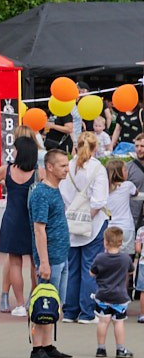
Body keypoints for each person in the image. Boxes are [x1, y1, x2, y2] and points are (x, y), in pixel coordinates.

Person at [30, 149, 73, 358]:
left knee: (55, 303)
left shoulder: (55, 190)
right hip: (50, 257)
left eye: (67, 165)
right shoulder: (41, 193)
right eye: (62, 166)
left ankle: (47, 345)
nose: (67, 169)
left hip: (61, 255)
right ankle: (36, 348)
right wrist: (44, 261)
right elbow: (39, 229)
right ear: (50, 167)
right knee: (43, 301)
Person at [67, 135, 111, 325]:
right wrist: (87, 217)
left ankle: (69, 311)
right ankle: (87, 312)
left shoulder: (67, 166)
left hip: (68, 222)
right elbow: (99, 200)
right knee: (90, 269)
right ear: (95, 147)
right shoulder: (98, 169)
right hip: (92, 224)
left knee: (71, 269)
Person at [0, 131, 40, 314]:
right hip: (34, 221)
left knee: (15, 263)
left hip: (13, 220)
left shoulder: (7, 170)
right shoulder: (39, 173)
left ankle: (19, 304)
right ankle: (35, 300)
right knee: (36, 262)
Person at [91, 226, 132, 358]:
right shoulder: (125, 259)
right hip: (120, 296)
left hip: (103, 294)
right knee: (118, 322)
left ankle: (101, 348)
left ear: (105, 242)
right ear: (121, 242)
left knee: (103, 322)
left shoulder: (100, 258)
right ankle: (120, 349)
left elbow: (92, 272)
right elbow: (131, 271)